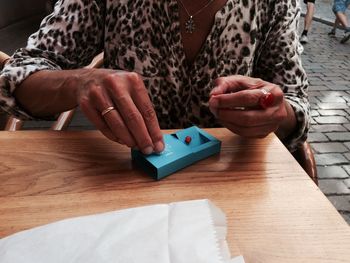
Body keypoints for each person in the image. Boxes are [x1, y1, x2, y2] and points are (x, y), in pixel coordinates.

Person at [0, 0, 310, 155]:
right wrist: (80, 81)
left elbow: (296, 107)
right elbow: (17, 76)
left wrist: (274, 111)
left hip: (234, 182)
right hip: (124, 180)